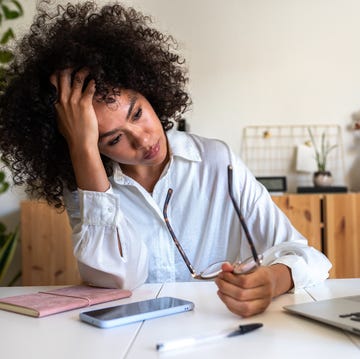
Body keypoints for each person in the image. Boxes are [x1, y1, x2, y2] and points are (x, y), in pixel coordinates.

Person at [0, 0, 331, 317]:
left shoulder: (216, 161)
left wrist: (272, 281)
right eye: (114, 139)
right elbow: (118, 280)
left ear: (148, 89)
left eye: (138, 112)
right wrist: (82, 149)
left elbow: (307, 256)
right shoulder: (87, 187)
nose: (143, 139)